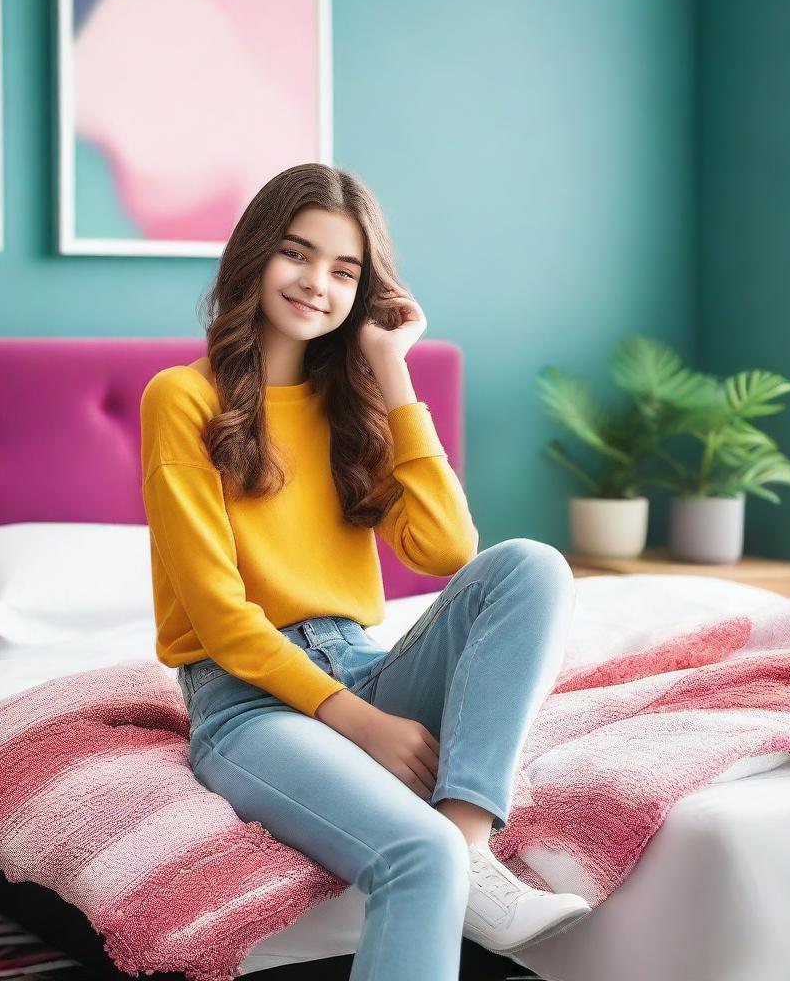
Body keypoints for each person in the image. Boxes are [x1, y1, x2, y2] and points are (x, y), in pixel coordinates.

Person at [139, 163, 591, 980]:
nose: (317, 283)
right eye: (297, 255)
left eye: (344, 271)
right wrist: (363, 725)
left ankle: (468, 842)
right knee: (413, 858)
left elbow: (450, 551)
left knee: (531, 564)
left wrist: (392, 370)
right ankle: (444, 857)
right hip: (245, 704)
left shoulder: (353, 406)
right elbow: (220, 616)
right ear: (254, 257)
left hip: (359, 661)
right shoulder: (181, 398)